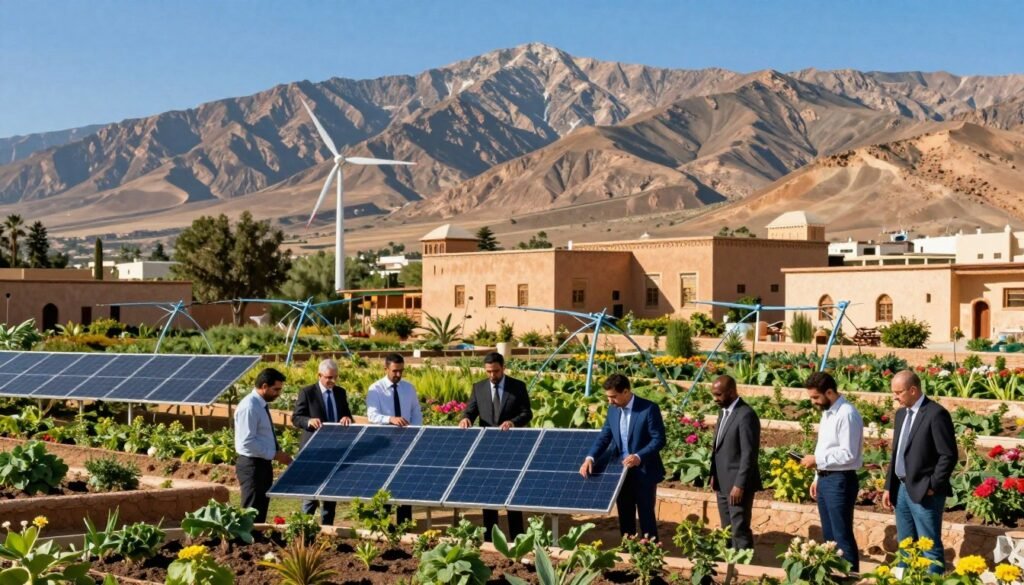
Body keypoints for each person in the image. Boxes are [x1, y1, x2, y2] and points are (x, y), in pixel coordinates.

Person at [883, 370, 957, 574]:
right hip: (901, 490)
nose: (895, 397)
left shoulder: (936, 414)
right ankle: (903, 579)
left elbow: (948, 455)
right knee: (905, 546)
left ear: (913, 390)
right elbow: (897, 453)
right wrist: (889, 487)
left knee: (929, 548)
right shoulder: (900, 415)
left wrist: (932, 486)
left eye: (898, 392)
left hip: (925, 492)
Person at [579, 373, 666, 540]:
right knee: (625, 515)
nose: (610, 401)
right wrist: (590, 457)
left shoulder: (648, 409)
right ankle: (628, 550)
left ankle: (650, 554)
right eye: (608, 398)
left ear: (626, 392)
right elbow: (605, 436)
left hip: (644, 471)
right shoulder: (612, 410)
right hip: (621, 471)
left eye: (613, 397)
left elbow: (659, 439)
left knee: (646, 515)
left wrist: (639, 456)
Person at [459, 351, 532, 541]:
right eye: (489, 372)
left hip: (511, 448)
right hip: (487, 449)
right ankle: (490, 539)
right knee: (488, 494)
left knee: (512, 493)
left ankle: (517, 538)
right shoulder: (479, 387)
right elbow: (471, 410)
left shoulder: (517, 387)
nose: (492, 376)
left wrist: (512, 422)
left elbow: (527, 413)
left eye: (496, 371)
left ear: (503, 368)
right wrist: (466, 418)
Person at [800, 371, 864, 572]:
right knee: (829, 536)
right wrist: (817, 477)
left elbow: (849, 454)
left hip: (840, 480)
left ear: (829, 392)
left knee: (841, 534)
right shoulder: (828, 413)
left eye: (816, 397)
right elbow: (826, 448)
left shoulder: (847, 414)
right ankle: (834, 575)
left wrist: (817, 460)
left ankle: (851, 576)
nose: (813, 402)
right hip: (826, 479)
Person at [292, 358, 353, 525]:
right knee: (310, 497)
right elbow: (296, 418)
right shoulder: (307, 392)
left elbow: (348, 415)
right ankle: (305, 529)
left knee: (330, 496)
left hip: (335, 450)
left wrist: (347, 419)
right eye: (328, 378)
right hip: (314, 450)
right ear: (319, 375)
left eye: (335, 377)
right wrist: (309, 421)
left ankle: (327, 530)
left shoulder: (340, 393)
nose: (332, 381)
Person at [366, 353, 421, 524]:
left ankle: (404, 524)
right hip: (385, 443)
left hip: (405, 441)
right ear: (386, 369)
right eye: (395, 371)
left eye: (401, 371)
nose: (398, 375)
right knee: (384, 483)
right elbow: (372, 415)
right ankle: (382, 523)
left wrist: (416, 432)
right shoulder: (375, 389)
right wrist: (390, 419)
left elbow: (415, 412)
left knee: (404, 482)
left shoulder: (408, 388)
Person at [709, 374, 762, 551]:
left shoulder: (746, 415)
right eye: (714, 394)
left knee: (739, 529)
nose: (715, 399)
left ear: (731, 392)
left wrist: (739, 485)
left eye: (718, 395)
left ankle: (746, 568)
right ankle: (731, 567)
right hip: (722, 482)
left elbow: (749, 453)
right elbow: (719, 447)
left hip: (737, 486)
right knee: (727, 529)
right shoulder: (723, 412)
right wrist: (713, 474)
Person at [234, 367, 293, 523]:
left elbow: (262, 435)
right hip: (251, 465)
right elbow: (247, 441)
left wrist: (276, 452)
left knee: (260, 509)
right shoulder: (249, 407)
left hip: (262, 464)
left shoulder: (259, 405)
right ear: (265, 386)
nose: (278, 394)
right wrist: (274, 454)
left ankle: (257, 542)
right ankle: (244, 544)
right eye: (276, 389)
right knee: (251, 510)